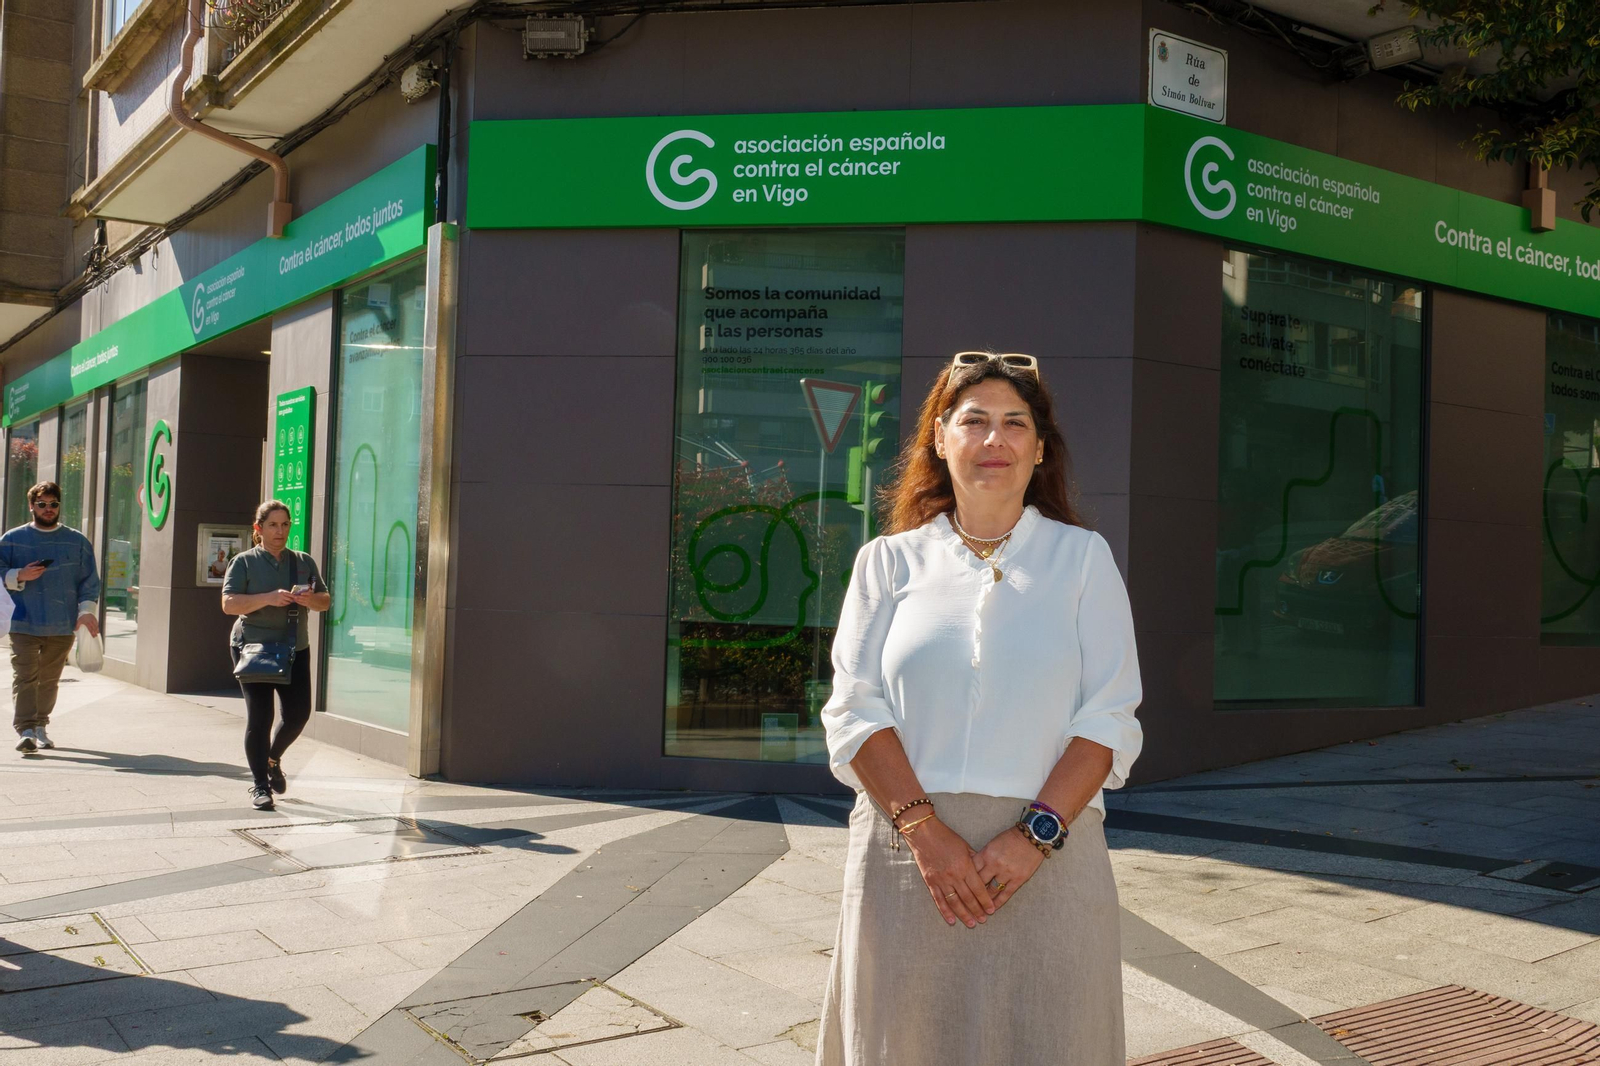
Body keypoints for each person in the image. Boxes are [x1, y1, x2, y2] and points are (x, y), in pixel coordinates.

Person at [815, 351, 1144, 1065]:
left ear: (1040, 447)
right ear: (939, 438)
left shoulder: (1083, 559)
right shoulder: (886, 562)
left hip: (1050, 858)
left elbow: (1109, 715)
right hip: (906, 860)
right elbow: (853, 709)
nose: (995, 439)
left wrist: (1034, 837)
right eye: (974, 421)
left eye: (1015, 423)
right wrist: (925, 835)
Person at [221, 500, 330, 810]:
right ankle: (259, 785)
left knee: (298, 715)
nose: (279, 531)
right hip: (253, 648)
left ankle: (271, 758)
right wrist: (268, 598)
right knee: (260, 718)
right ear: (259, 528)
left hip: (295, 649)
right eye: (272, 525)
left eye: (284, 525)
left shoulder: (303, 562)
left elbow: (324, 600)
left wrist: (310, 599)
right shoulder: (243, 562)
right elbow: (229, 604)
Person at [2, 482, 101, 754]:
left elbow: (89, 581)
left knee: (49, 679)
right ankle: (26, 730)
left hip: (62, 624)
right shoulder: (12, 538)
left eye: (53, 504)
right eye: (42, 504)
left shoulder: (77, 541)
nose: (48, 509)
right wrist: (18, 575)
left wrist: (86, 612)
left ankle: (40, 725)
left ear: (59, 506)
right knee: (25, 676)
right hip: (22, 621)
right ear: (31, 506)